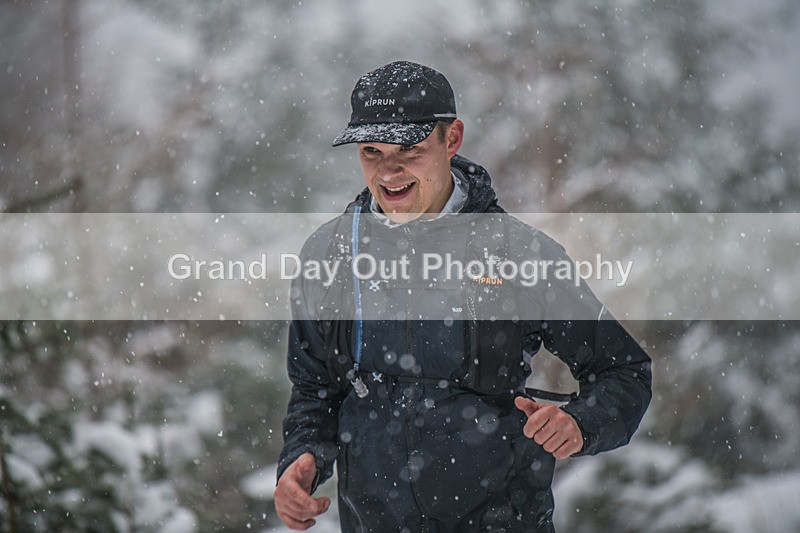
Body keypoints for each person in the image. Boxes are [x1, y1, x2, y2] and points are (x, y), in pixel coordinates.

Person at [274, 60, 652, 532]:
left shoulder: (518, 253)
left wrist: (580, 423)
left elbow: (624, 373)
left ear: (451, 139)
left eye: (409, 148)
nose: (388, 171)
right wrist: (302, 457)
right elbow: (314, 388)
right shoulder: (329, 254)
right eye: (371, 151)